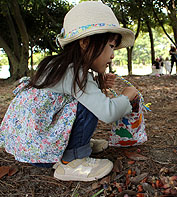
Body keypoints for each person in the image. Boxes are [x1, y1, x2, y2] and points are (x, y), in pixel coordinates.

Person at [0, 1, 138, 182]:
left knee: (84, 100)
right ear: (85, 42)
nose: (113, 55)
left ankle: (74, 145)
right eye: (111, 46)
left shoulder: (56, 65)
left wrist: (100, 85)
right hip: (43, 152)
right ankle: (72, 162)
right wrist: (127, 96)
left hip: (29, 145)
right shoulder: (76, 74)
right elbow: (108, 112)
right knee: (85, 105)